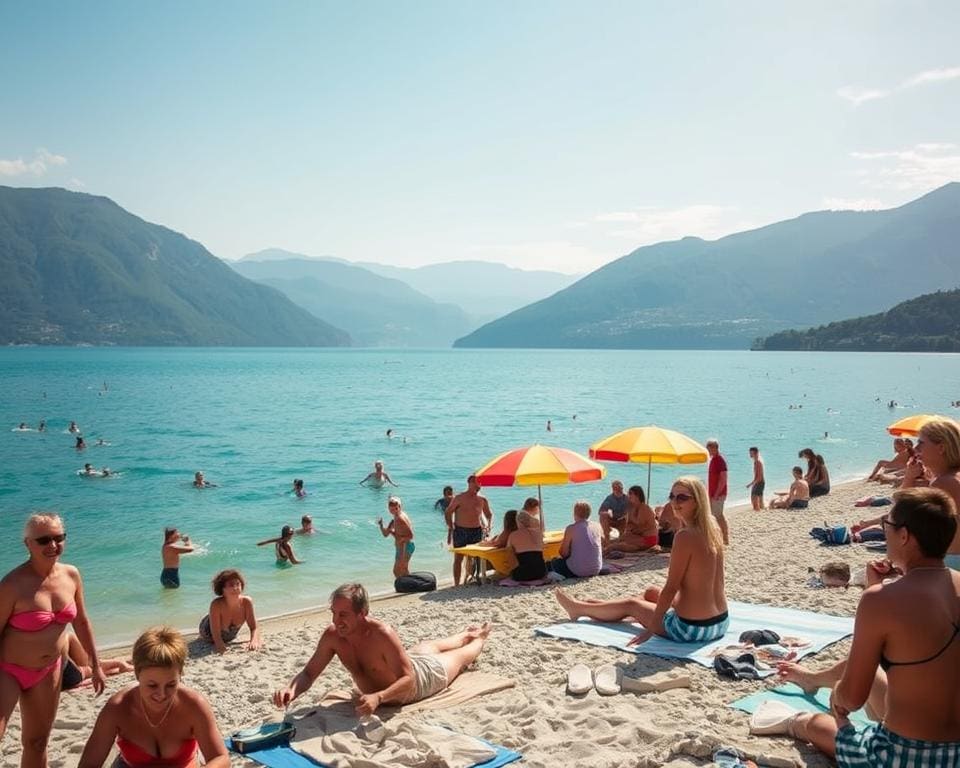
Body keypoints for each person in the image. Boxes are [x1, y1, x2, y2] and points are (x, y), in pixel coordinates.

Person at [749, 488, 960, 763]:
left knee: (815, 724)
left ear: (905, 535)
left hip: (907, 756)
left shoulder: (881, 600)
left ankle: (795, 721)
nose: (885, 530)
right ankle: (812, 680)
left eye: (888, 524)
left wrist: (838, 702)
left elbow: (853, 697)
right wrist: (881, 585)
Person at [555, 476, 727, 645]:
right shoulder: (712, 528)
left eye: (682, 497)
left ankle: (579, 609)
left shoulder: (685, 536)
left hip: (691, 628)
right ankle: (606, 607)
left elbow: (671, 587)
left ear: (697, 501)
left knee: (631, 604)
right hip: (720, 622)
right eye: (672, 496)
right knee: (651, 592)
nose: (674, 502)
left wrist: (651, 628)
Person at [272, 583, 491, 715]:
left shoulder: (382, 634)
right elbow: (309, 673)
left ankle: (479, 636)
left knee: (463, 656)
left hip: (421, 680)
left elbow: (409, 679)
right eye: (334, 613)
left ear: (362, 613)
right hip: (405, 662)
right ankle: (464, 633)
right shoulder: (333, 636)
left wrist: (380, 697)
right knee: (429, 646)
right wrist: (291, 689)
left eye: (343, 615)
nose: (336, 621)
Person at [0, 513, 105, 765]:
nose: (53, 545)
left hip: (49, 671)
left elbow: (80, 621)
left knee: (37, 743)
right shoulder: (12, 585)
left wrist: (97, 665)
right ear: (28, 543)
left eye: (59, 538)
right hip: (8, 670)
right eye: (44, 540)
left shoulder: (71, 575)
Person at [77, 627, 229, 768]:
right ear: (137, 674)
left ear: (180, 675)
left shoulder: (193, 706)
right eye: (152, 686)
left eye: (171, 685)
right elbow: (88, 764)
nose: (162, 695)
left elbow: (221, 758)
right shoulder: (118, 708)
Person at [902, 418, 960, 570]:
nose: (915, 448)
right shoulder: (953, 478)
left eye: (921, 443)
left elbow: (902, 515)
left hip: (951, 562)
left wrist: (908, 478)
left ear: (941, 447)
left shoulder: (944, 483)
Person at [198, 569, 262, 654]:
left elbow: (254, 627)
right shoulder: (216, 604)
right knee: (212, 619)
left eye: (238, 584)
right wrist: (220, 645)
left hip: (229, 635)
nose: (236, 588)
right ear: (222, 589)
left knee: (254, 621)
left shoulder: (246, 602)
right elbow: (216, 633)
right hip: (208, 632)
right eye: (231, 585)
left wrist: (254, 640)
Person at [445, 475, 493, 586]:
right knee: (458, 558)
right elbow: (448, 512)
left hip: (476, 531)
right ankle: (457, 584)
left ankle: (469, 578)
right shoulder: (459, 498)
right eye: (476, 483)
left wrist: (488, 526)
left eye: (480, 484)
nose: (478, 486)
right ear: (469, 482)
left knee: (474, 558)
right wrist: (450, 526)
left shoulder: (482, 499)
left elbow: (489, 514)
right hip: (461, 530)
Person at [61, 634, 133, 692]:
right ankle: (119, 663)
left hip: (59, 676)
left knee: (89, 666)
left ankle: (118, 664)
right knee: (89, 667)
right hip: (66, 678)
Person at [550, 501, 603, 579]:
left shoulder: (571, 528)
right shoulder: (597, 526)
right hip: (596, 568)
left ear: (575, 513)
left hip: (577, 571)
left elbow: (563, 553)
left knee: (553, 562)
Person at [604, 485, 659, 553]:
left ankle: (611, 546)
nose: (628, 495)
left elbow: (645, 525)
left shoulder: (644, 508)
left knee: (622, 540)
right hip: (638, 538)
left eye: (630, 493)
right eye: (628, 493)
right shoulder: (631, 508)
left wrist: (635, 530)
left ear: (637, 495)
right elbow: (629, 525)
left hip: (649, 538)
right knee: (629, 544)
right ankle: (612, 546)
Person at [378, 497, 415, 579]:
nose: (393, 511)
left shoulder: (400, 519)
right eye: (391, 510)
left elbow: (411, 535)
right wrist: (381, 525)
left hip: (406, 546)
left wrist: (400, 540)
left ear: (399, 507)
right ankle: (406, 586)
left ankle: (407, 586)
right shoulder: (395, 519)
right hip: (401, 547)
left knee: (400, 570)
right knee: (401, 570)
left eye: (395, 509)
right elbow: (385, 534)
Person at [507, 510, 546, 581]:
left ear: (518, 522)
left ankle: (510, 574)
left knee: (510, 551)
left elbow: (509, 554)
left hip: (523, 574)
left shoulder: (513, 535)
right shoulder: (539, 533)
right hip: (541, 572)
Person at [706, 439, 730, 546]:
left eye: (710, 448)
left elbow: (723, 478)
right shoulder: (713, 460)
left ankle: (725, 538)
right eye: (708, 449)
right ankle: (719, 537)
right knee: (714, 516)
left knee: (718, 515)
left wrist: (716, 493)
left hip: (718, 494)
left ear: (715, 448)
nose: (709, 451)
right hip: (712, 493)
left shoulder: (720, 460)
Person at [598, 480, 630, 544]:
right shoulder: (610, 498)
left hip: (623, 521)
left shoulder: (627, 498)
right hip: (612, 519)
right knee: (602, 517)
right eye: (616, 489)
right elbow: (600, 512)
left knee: (629, 516)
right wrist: (607, 513)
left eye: (620, 488)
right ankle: (607, 536)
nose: (619, 490)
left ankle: (623, 535)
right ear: (613, 489)